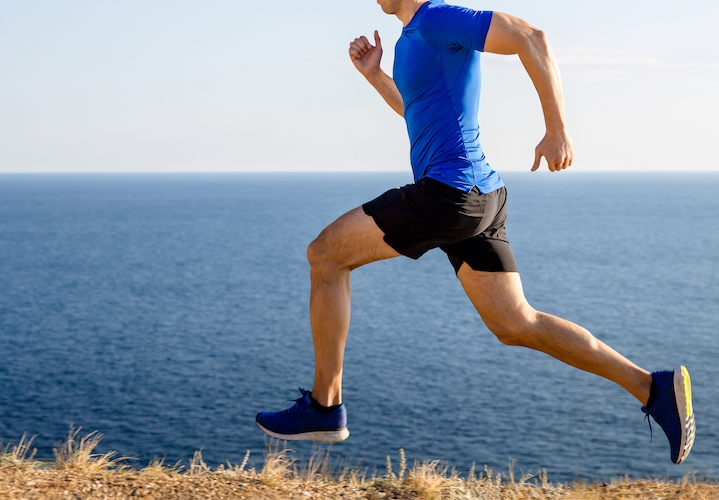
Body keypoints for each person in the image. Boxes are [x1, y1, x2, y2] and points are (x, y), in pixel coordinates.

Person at [255, 0, 695, 464]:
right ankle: (651, 387)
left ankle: (325, 406)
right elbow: (419, 111)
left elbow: (531, 36)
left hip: (447, 195)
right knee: (515, 323)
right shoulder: (412, 38)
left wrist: (557, 128)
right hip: (478, 197)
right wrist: (375, 75)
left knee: (325, 255)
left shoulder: (436, 17)